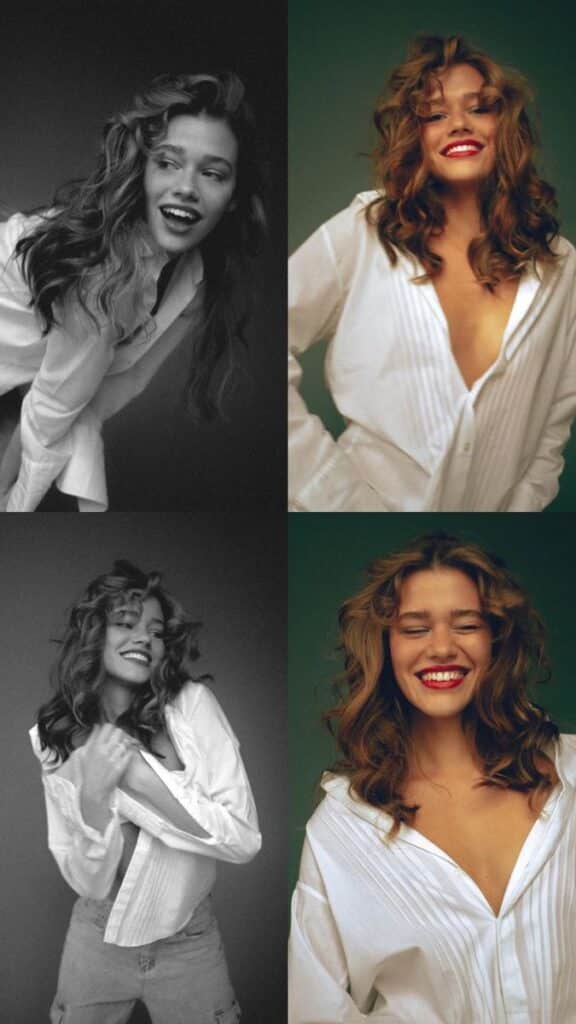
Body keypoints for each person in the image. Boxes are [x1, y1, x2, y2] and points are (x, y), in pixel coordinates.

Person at [289, 532, 576, 1022]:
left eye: (466, 624)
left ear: (496, 640)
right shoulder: (338, 831)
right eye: (415, 628)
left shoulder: (571, 773)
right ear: (385, 646)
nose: (442, 647)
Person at [288, 34, 576, 512]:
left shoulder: (560, 266)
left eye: (479, 108)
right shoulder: (366, 231)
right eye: (435, 115)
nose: (459, 125)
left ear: (506, 125)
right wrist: (331, 495)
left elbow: (558, 409)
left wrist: (525, 504)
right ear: (413, 135)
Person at [0, 71, 266, 511]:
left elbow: (130, 378)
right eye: (167, 162)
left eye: (213, 173)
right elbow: (51, 408)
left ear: (234, 195)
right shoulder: (101, 271)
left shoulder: (194, 280)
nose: (186, 187)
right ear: (140, 170)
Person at [31, 560, 261, 1023]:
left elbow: (242, 839)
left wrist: (142, 777)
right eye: (126, 623)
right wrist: (93, 799)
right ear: (94, 634)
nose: (144, 639)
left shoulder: (192, 706)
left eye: (156, 632)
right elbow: (87, 881)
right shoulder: (53, 736)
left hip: (189, 941)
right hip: (96, 939)